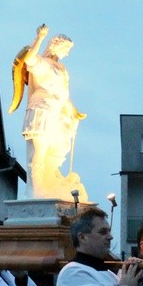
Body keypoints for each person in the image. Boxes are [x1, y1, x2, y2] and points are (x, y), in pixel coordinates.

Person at [14, 23, 88, 201]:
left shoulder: (61, 69)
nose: (67, 53)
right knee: (40, 148)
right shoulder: (43, 64)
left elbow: (64, 95)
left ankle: (50, 178)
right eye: (66, 49)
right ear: (57, 46)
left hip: (56, 111)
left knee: (61, 146)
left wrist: (73, 111)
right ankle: (36, 190)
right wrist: (39, 38)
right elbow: (29, 59)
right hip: (42, 109)